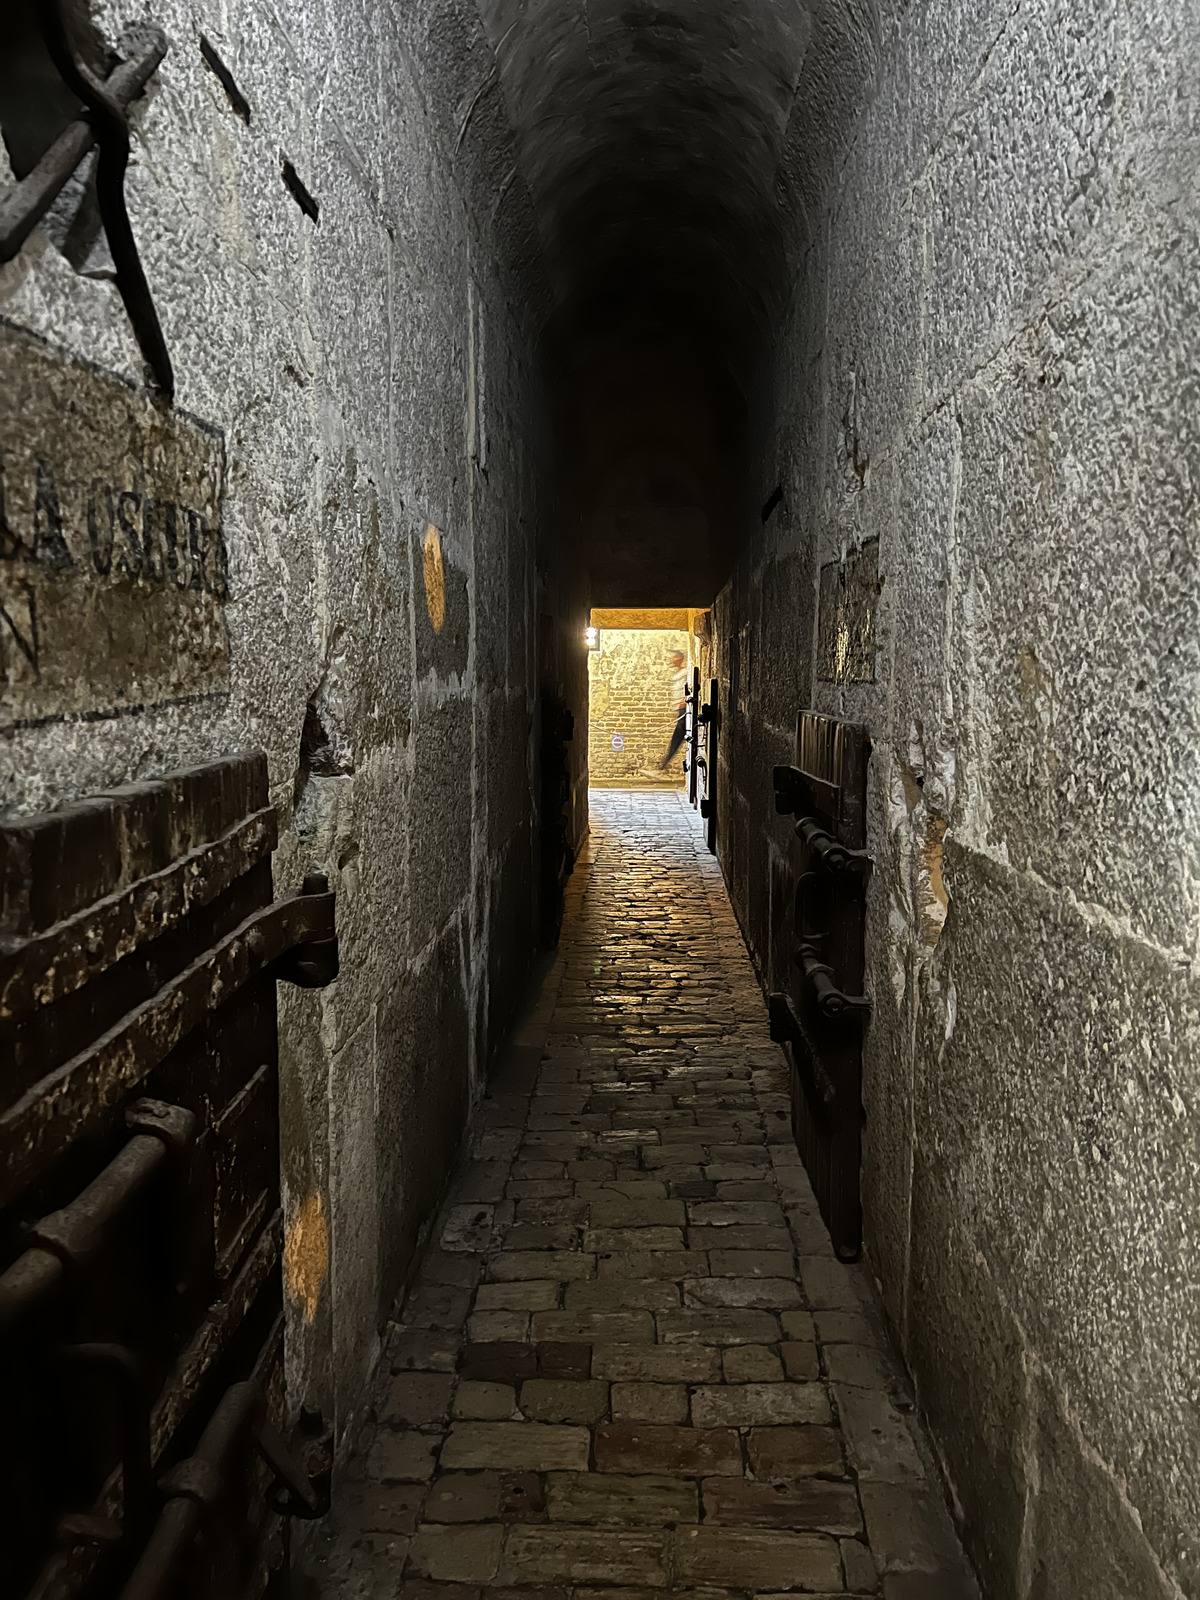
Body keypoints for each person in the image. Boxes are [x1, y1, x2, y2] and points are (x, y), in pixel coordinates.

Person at [659, 649, 689, 770]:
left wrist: (685, 700)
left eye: (675, 657)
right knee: (678, 736)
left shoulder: (686, 672)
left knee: (678, 736)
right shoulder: (678, 674)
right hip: (680, 709)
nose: (673, 659)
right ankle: (664, 764)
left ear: (680, 659)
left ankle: (663, 765)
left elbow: (688, 688)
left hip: (685, 709)